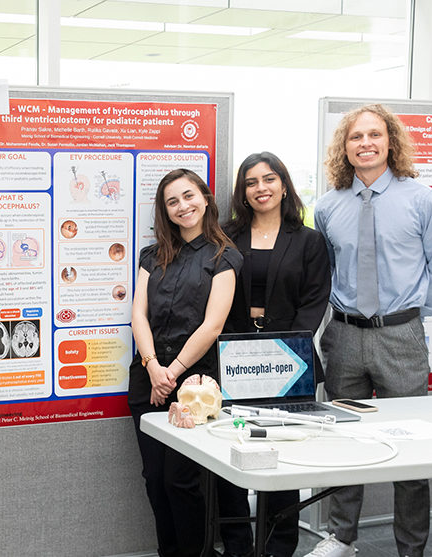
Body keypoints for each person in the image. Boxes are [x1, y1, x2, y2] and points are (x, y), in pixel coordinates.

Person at [307, 104, 432, 557]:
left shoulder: (423, 199)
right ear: (345, 147)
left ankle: (411, 548)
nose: (365, 143)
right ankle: (340, 539)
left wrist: (410, 317)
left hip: (401, 337)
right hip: (345, 336)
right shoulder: (329, 206)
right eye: (356, 137)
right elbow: (329, 272)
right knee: (343, 439)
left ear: (390, 141)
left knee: (411, 448)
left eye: (374, 134)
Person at [216, 152, 331, 557]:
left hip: (291, 362)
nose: (260, 188)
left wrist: (281, 352)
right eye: (251, 182)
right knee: (230, 455)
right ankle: (238, 546)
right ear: (242, 193)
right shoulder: (226, 235)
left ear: (284, 184)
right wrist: (238, 349)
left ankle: (279, 546)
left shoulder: (309, 240)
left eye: (269, 179)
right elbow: (216, 299)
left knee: (283, 457)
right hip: (234, 359)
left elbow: (314, 303)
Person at [130, 168, 241, 557]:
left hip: (195, 385)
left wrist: (172, 372)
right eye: (172, 201)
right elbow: (138, 315)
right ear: (164, 210)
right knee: (155, 479)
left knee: (182, 480)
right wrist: (152, 367)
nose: (183, 206)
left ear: (205, 198)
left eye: (189, 196)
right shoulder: (151, 255)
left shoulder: (225, 256)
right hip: (148, 378)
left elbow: (212, 326)